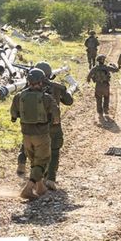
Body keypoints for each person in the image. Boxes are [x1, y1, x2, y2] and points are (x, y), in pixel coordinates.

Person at [10, 67, 59, 199]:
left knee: (34, 161)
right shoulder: (47, 98)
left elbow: (14, 115)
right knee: (42, 162)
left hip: (26, 136)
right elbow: (56, 118)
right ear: (42, 82)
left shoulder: (19, 96)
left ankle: (40, 187)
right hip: (41, 135)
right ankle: (28, 188)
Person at [35, 61, 73, 190]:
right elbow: (69, 101)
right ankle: (50, 179)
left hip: (36, 127)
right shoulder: (57, 87)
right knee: (54, 152)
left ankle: (37, 179)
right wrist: (64, 90)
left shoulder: (30, 87)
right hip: (54, 126)